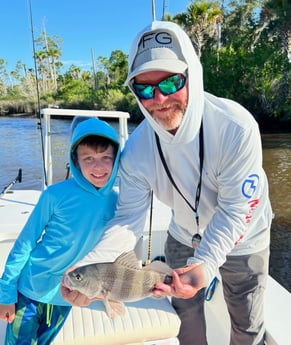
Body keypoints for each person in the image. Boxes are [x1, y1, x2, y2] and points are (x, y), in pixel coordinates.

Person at [61, 21, 272, 345]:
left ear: (193, 75)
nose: (159, 98)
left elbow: (234, 211)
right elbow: (128, 220)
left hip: (245, 238)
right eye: (145, 89)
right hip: (183, 233)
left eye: (172, 81)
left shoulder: (236, 128)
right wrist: (88, 268)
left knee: (246, 324)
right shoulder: (136, 151)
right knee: (185, 318)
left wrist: (204, 264)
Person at [0, 117, 120, 345]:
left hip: (67, 296)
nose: (98, 166)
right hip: (30, 289)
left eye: (106, 158)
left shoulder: (117, 202)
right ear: (75, 160)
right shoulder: (54, 195)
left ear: (116, 160)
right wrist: (6, 293)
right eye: (89, 158)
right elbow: (25, 243)